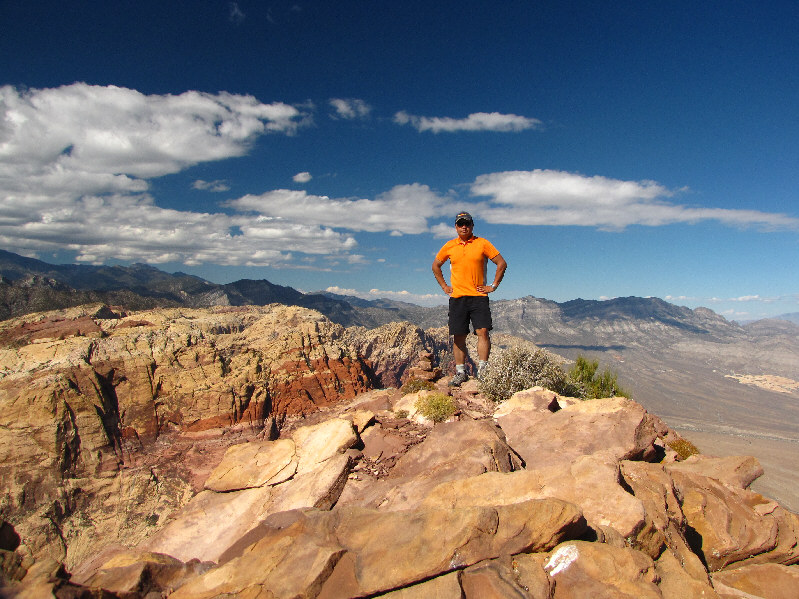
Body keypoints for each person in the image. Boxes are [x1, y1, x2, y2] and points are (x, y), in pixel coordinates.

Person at [432, 211, 507, 386]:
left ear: (472, 225)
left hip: (479, 296)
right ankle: (460, 372)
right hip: (458, 297)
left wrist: (493, 286)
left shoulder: (482, 243)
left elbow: (501, 263)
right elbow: (436, 265)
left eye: (467, 223)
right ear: (456, 227)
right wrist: (444, 286)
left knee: (483, 332)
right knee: (459, 336)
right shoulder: (450, 246)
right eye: (460, 224)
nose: (464, 226)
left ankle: (483, 372)